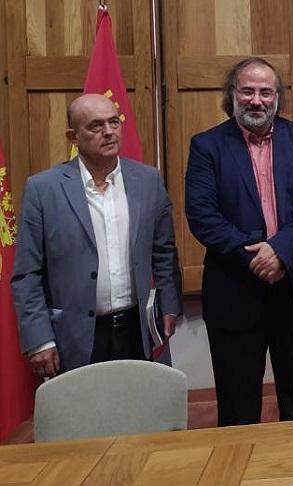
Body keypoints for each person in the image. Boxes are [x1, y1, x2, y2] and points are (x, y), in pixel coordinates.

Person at [185, 57, 293, 426]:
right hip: (235, 290)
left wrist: (279, 250)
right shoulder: (206, 146)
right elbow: (202, 216)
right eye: (247, 91)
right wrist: (255, 256)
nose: (257, 100)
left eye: (266, 92)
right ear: (232, 94)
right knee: (238, 404)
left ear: (278, 96)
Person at [12, 93, 181, 378]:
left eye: (114, 122)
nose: (108, 132)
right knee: (83, 420)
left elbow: (164, 252)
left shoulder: (148, 181)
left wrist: (170, 305)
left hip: (136, 330)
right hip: (74, 337)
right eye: (95, 126)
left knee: (140, 417)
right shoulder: (43, 190)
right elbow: (27, 275)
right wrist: (39, 339)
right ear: (72, 136)